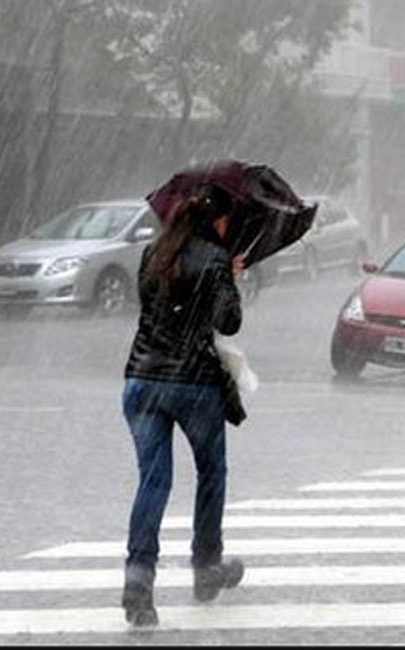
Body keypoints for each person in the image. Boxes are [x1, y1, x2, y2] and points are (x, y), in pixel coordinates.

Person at [120, 183, 247, 627]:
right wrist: (228, 277)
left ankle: (138, 582)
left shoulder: (153, 252)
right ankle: (206, 567)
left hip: (141, 381)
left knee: (153, 482)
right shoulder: (214, 259)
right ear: (219, 220)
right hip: (193, 384)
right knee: (211, 472)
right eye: (229, 221)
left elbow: (154, 310)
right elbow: (227, 320)